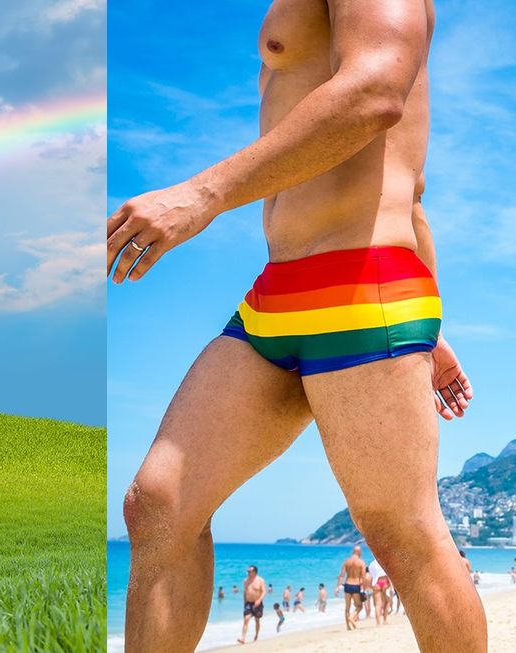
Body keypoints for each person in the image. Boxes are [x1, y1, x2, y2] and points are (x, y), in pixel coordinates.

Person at [113, 2, 487, 651]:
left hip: (362, 284)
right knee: (159, 504)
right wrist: (436, 324)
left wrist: (202, 194)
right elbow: (411, 181)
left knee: (404, 536)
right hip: (278, 291)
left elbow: (375, 93)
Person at [336, 545, 366, 630]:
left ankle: (348, 627)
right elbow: (363, 576)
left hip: (347, 585)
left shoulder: (346, 562)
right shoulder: (361, 562)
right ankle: (352, 617)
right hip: (356, 585)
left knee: (347, 607)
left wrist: (338, 587)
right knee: (359, 606)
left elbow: (341, 575)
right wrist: (363, 588)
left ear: (353, 552)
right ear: (359, 552)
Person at [238, 565, 267, 644]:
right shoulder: (245, 581)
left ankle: (256, 635)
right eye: (247, 571)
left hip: (257, 602)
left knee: (257, 620)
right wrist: (244, 602)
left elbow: (264, 591)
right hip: (248, 603)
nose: (248, 573)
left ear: (254, 572)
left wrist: (259, 600)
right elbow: (245, 592)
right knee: (246, 619)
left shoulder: (260, 580)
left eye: (249, 571)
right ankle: (243, 638)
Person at [369, 558, 390, 625]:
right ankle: (385, 620)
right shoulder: (383, 560)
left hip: (376, 583)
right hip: (384, 581)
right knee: (387, 602)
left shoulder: (372, 564)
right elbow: (388, 572)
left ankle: (378, 622)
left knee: (378, 604)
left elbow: (371, 574)